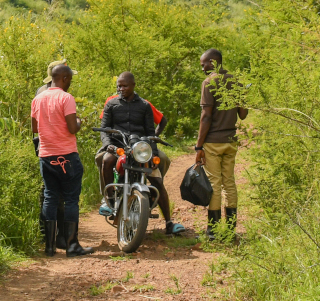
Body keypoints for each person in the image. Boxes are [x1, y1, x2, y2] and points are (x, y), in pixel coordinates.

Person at [97, 72, 186, 235]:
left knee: (157, 179)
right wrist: (108, 145)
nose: (121, 88)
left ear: (133, 85)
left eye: (124, 86)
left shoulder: (144, 105)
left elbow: (151, 131)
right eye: (119, 85)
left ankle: (169, 222)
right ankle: (108, 200)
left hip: (140, 147)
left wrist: (150, 151)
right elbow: (104, 130)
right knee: (107, 160)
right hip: (118, 145)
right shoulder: (111, 104)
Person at [29, 61, 94, 257]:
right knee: (71, 199)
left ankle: (49, 247)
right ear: (64, 78)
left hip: (46, 156)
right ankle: (72, 245)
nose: (70, 83)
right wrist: (80, 122)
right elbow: (72, 128)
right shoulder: (66, 98)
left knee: (50, 196)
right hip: (66, 156)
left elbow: (34, 128)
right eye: (70, 79)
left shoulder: (38, 99)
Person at [193, 48, 247, 238]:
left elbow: (206, 117)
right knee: (229, 182)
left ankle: (213, 230)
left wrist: (199, 146)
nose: (203, 68)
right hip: (230, 140)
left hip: (213, 142)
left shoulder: (209, 82)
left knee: (214, 184)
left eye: (204, 64)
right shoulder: (236, 81)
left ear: (214, 62)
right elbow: (243, 114)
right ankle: (231, 229)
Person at [34, 60, 71, 250]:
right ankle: (60, 237)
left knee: (48, 192)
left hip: (43, 147)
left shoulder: (41, 92)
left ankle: (48, 237)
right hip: (58, 148)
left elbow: (34, 125)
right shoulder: (58, 94)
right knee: (61, 192)